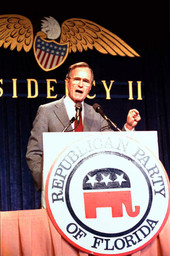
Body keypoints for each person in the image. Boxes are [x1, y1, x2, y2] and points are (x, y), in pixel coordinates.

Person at [26, 62, 141, 190]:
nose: (81, 84)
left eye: (86, 81)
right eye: (76, 79)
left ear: (90, 87)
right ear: (67, 81)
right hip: (56, 191)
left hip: (90, 189)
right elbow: (34, 153)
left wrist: (128, 127)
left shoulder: (97, 114)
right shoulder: (47, 111)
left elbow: (113, 145)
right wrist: (46, 183)